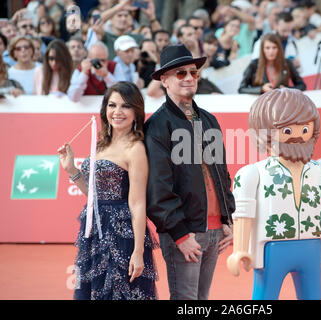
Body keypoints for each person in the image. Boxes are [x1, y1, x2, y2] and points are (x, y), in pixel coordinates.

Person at [227, 88, 321, 299]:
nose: (298, 136)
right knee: (264, 296)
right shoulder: (253, 173)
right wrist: (240, 250)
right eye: (288, 131)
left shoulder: (320, 168)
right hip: (272, 247)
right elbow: (243, 211)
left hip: (311, 245)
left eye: (305, 129)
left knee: (312, 295)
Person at [144, 44, 235, 300]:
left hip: (215, 230)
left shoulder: (209, 120)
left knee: (202, 300)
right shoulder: (157, 126)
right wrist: (180, 234)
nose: (188, 78)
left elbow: (222, 174)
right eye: (180, 73)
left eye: (193, 73)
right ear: (164, 80)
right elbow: (157, 189)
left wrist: (228, 219)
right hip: (184, 233)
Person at [57, 81, 158, 300]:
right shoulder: (101, 144)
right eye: (112, 105)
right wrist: (72, 169)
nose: (117, 112)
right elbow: (94, 196)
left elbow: (138, 203)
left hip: (121, 235)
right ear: (105, 109)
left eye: (125, 106)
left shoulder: (136, 148)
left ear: (136, 112)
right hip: (94, 231)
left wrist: (138, 252)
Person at [239, 33, 306, 94]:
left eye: (274, 47)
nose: (271, 51)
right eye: (267, 48)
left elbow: (302, 85)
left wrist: (288, 89)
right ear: (262, 49)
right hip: (262, 104)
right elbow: (241, 89)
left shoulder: (287, 63)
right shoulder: (254, 64)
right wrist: (261, 89)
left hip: (282, 103)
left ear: (279, 49)